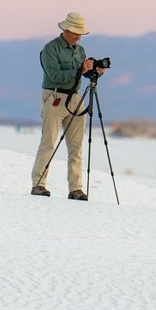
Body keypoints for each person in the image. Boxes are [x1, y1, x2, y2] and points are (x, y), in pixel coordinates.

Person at [30, 12, 103, 201]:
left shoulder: (80, 50)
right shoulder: (50, 49)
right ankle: (38, 185)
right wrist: (80, 69)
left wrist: (95, 72)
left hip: (75, 98)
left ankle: (76, 189)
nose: (79, 36)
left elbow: (83, 75)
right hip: (54, 96)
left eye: (81, 33)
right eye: (76, 33)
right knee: (48, 143)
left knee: (76, 147)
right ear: (66, 30)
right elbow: (54, 76)